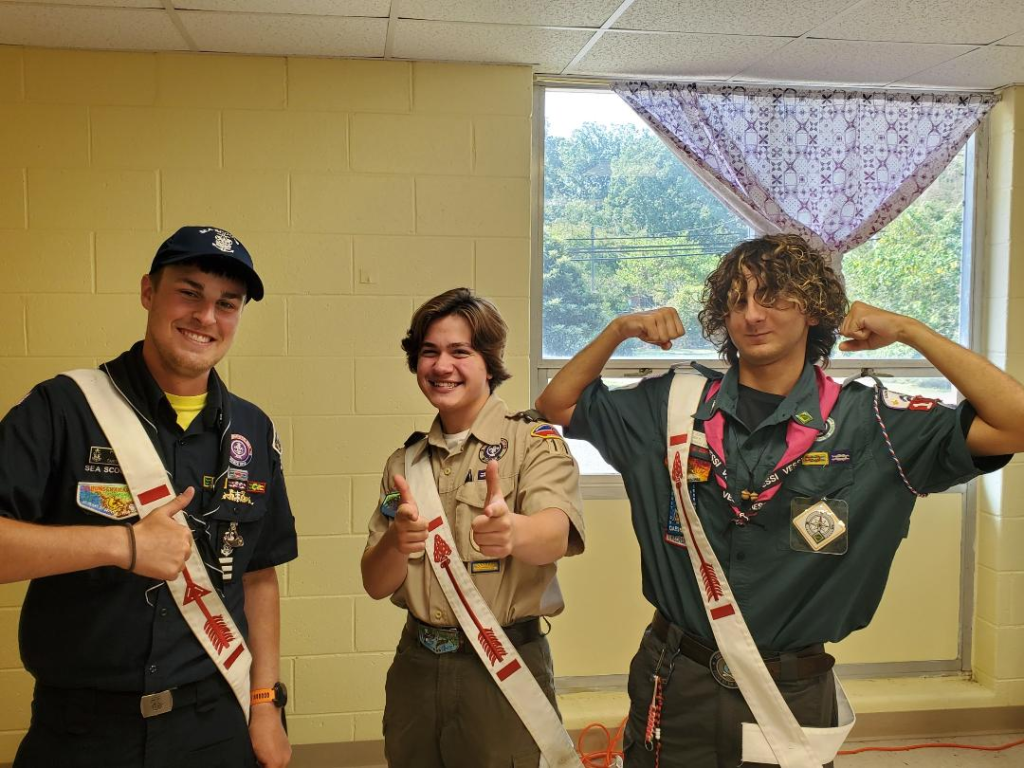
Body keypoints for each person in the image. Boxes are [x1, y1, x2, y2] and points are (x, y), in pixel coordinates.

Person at [535, 233, 1024, 768]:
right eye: (738, 301)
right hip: (676, 680)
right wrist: (617, 331)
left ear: (813, 309)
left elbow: (1014, 423)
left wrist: (912, 331)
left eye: (773, 297)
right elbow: (559, 404)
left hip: (790, 690)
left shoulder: (872, 422)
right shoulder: (672, 406)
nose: (752, 315)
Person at [0, 226, 296, 768]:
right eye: (189, 293)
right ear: (148, 292)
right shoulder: (62, 409)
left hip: (214, 722)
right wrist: (124, 546)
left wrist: (264, 703)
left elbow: (259, 576)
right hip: (82, 732)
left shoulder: (252, 431)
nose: (206, 317)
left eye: (226, 303)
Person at [361, 288, 585, 768]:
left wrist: (514, 533)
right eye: (429, 352)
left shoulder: (532, 442)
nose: (442, 366)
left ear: (489, 362)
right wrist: (397, 544)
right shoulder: (405, 462)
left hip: (503, 666)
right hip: (417, 667)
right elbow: (376, 584)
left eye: (460, 351)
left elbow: (555, 534)